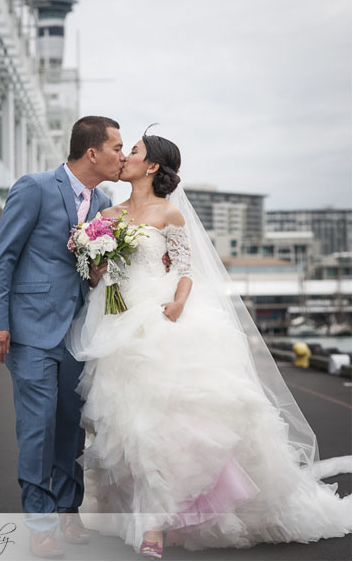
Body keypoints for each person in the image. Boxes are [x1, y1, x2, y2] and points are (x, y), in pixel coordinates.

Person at [68, 131, 351, 557]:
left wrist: (178, 304)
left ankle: (156, 525)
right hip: (115, 322)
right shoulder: (106, 214)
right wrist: (95, 261)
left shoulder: (169, 213)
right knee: (126, 423)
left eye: (134, 151)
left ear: (152, 166)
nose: (125, 157)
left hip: (161, 317)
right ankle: (140, 513)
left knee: (165, 422)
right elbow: (97, 277)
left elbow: (185, 269)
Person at [0, 116, 125, 557]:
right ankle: (39, 522)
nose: (122, 156)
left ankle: (68, 509)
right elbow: (3, 257)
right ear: (92, 153)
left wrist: (97, 272)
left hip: (80, 332)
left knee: (70, 427)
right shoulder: (35, 187)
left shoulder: (104, 202)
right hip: (30, 329)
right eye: (117, 148)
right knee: (38, 427)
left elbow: (90, 271)